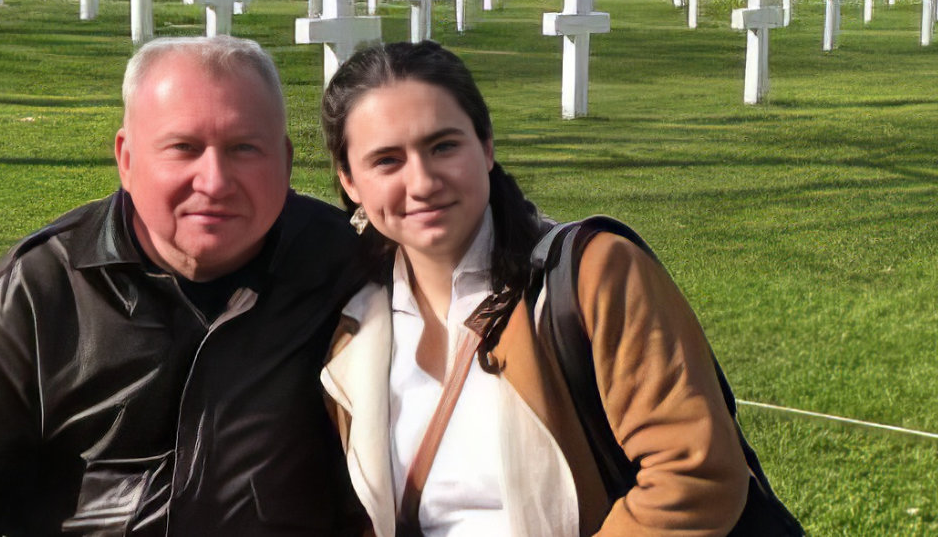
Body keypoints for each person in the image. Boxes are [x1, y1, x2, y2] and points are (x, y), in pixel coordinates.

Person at [0, 36, 366, 536]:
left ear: (286, 162)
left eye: (244, 148)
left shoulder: (341, 266)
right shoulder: (37, 293)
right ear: (127, 158)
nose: (215, 180)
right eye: (183, 148)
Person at [318, 41, 755, 536]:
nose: (421, 182)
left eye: (443, 146)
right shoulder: (352, 322)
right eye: (387, 161)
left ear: (486, 148)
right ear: (350, 181)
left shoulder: (592, 276)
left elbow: (693, 473)